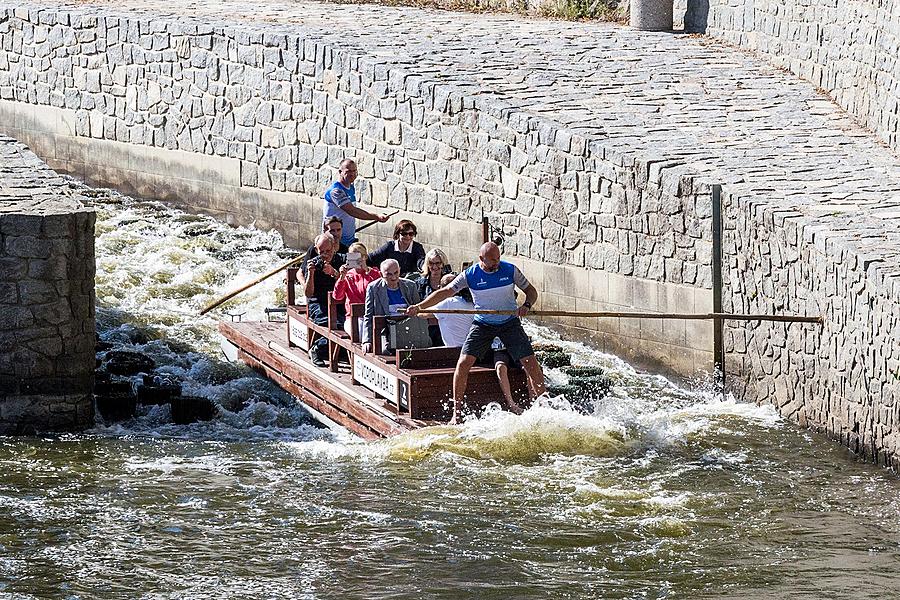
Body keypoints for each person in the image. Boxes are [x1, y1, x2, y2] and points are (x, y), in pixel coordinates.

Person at [406, 242, 545, 423]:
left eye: (498, 259)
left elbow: (531, 292)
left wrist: (527, 305)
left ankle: (544, 406)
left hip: (510, 322)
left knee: (530, 362)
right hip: (483, 324)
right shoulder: (470, 275)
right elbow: (446, 292)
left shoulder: (510, 270)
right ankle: (457, 413)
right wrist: (419, 307)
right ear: (482, 259)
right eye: (493, 260)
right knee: (463, 363)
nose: (497, 263)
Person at [431, 275, 521, 413]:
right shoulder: (476, 304)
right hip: (491, 350)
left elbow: (424, 314)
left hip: (481, 350)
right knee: (501, 366)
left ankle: (458, 411)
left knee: (524, 364)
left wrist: (417, 308)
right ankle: (512, 403)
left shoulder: (449, 303)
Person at [323, 158, 389, 247]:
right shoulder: (336, 191)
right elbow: (352, 211)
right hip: (335, 240)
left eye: (354, 171)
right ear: (340, 172)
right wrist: (376, 217)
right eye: (349, 171)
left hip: (348, 239)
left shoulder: (351, 187)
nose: (352, 174)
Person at [302, 233, 345, 367]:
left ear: (334, 248)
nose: (325, 254)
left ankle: (336, 350)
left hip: (339, 301)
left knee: (347, 324)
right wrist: (311, 274)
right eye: (322, 252)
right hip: (319, 302)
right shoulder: (313, 263)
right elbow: (308, 293)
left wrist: (334, 273)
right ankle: (318, 348)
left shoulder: (341, 260)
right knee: (331, 323)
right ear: (316, 250)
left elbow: (349, 285)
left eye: (328, 251)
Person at [362, 258, 421, 354]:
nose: (393, 277)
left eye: (396, 273)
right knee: (386, 351)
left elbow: (418, 310)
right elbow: (368, 315)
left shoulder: (410, 286)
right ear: (381, 275)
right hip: (386, 330)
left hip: (408, 328)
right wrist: (367, 341)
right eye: (389, 274)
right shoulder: (373, 288)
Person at [332, 242, 382, 337]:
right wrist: (342, 278)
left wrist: (366, 270)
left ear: (365, 257)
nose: (355, 259)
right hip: (353, 318)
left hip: (372, 315)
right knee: (361, 332)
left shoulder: (374, 273)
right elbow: (337, 296)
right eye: (352, 256)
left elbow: (380, 287)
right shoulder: (348, 275)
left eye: (358, 256)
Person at [416, 249, 453, 346]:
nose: (435, 267)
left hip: (447, 327)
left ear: (443, 264)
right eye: (431, 263)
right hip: (426, 328)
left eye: (438, 263)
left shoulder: (450, 282)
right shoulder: (420, 283)